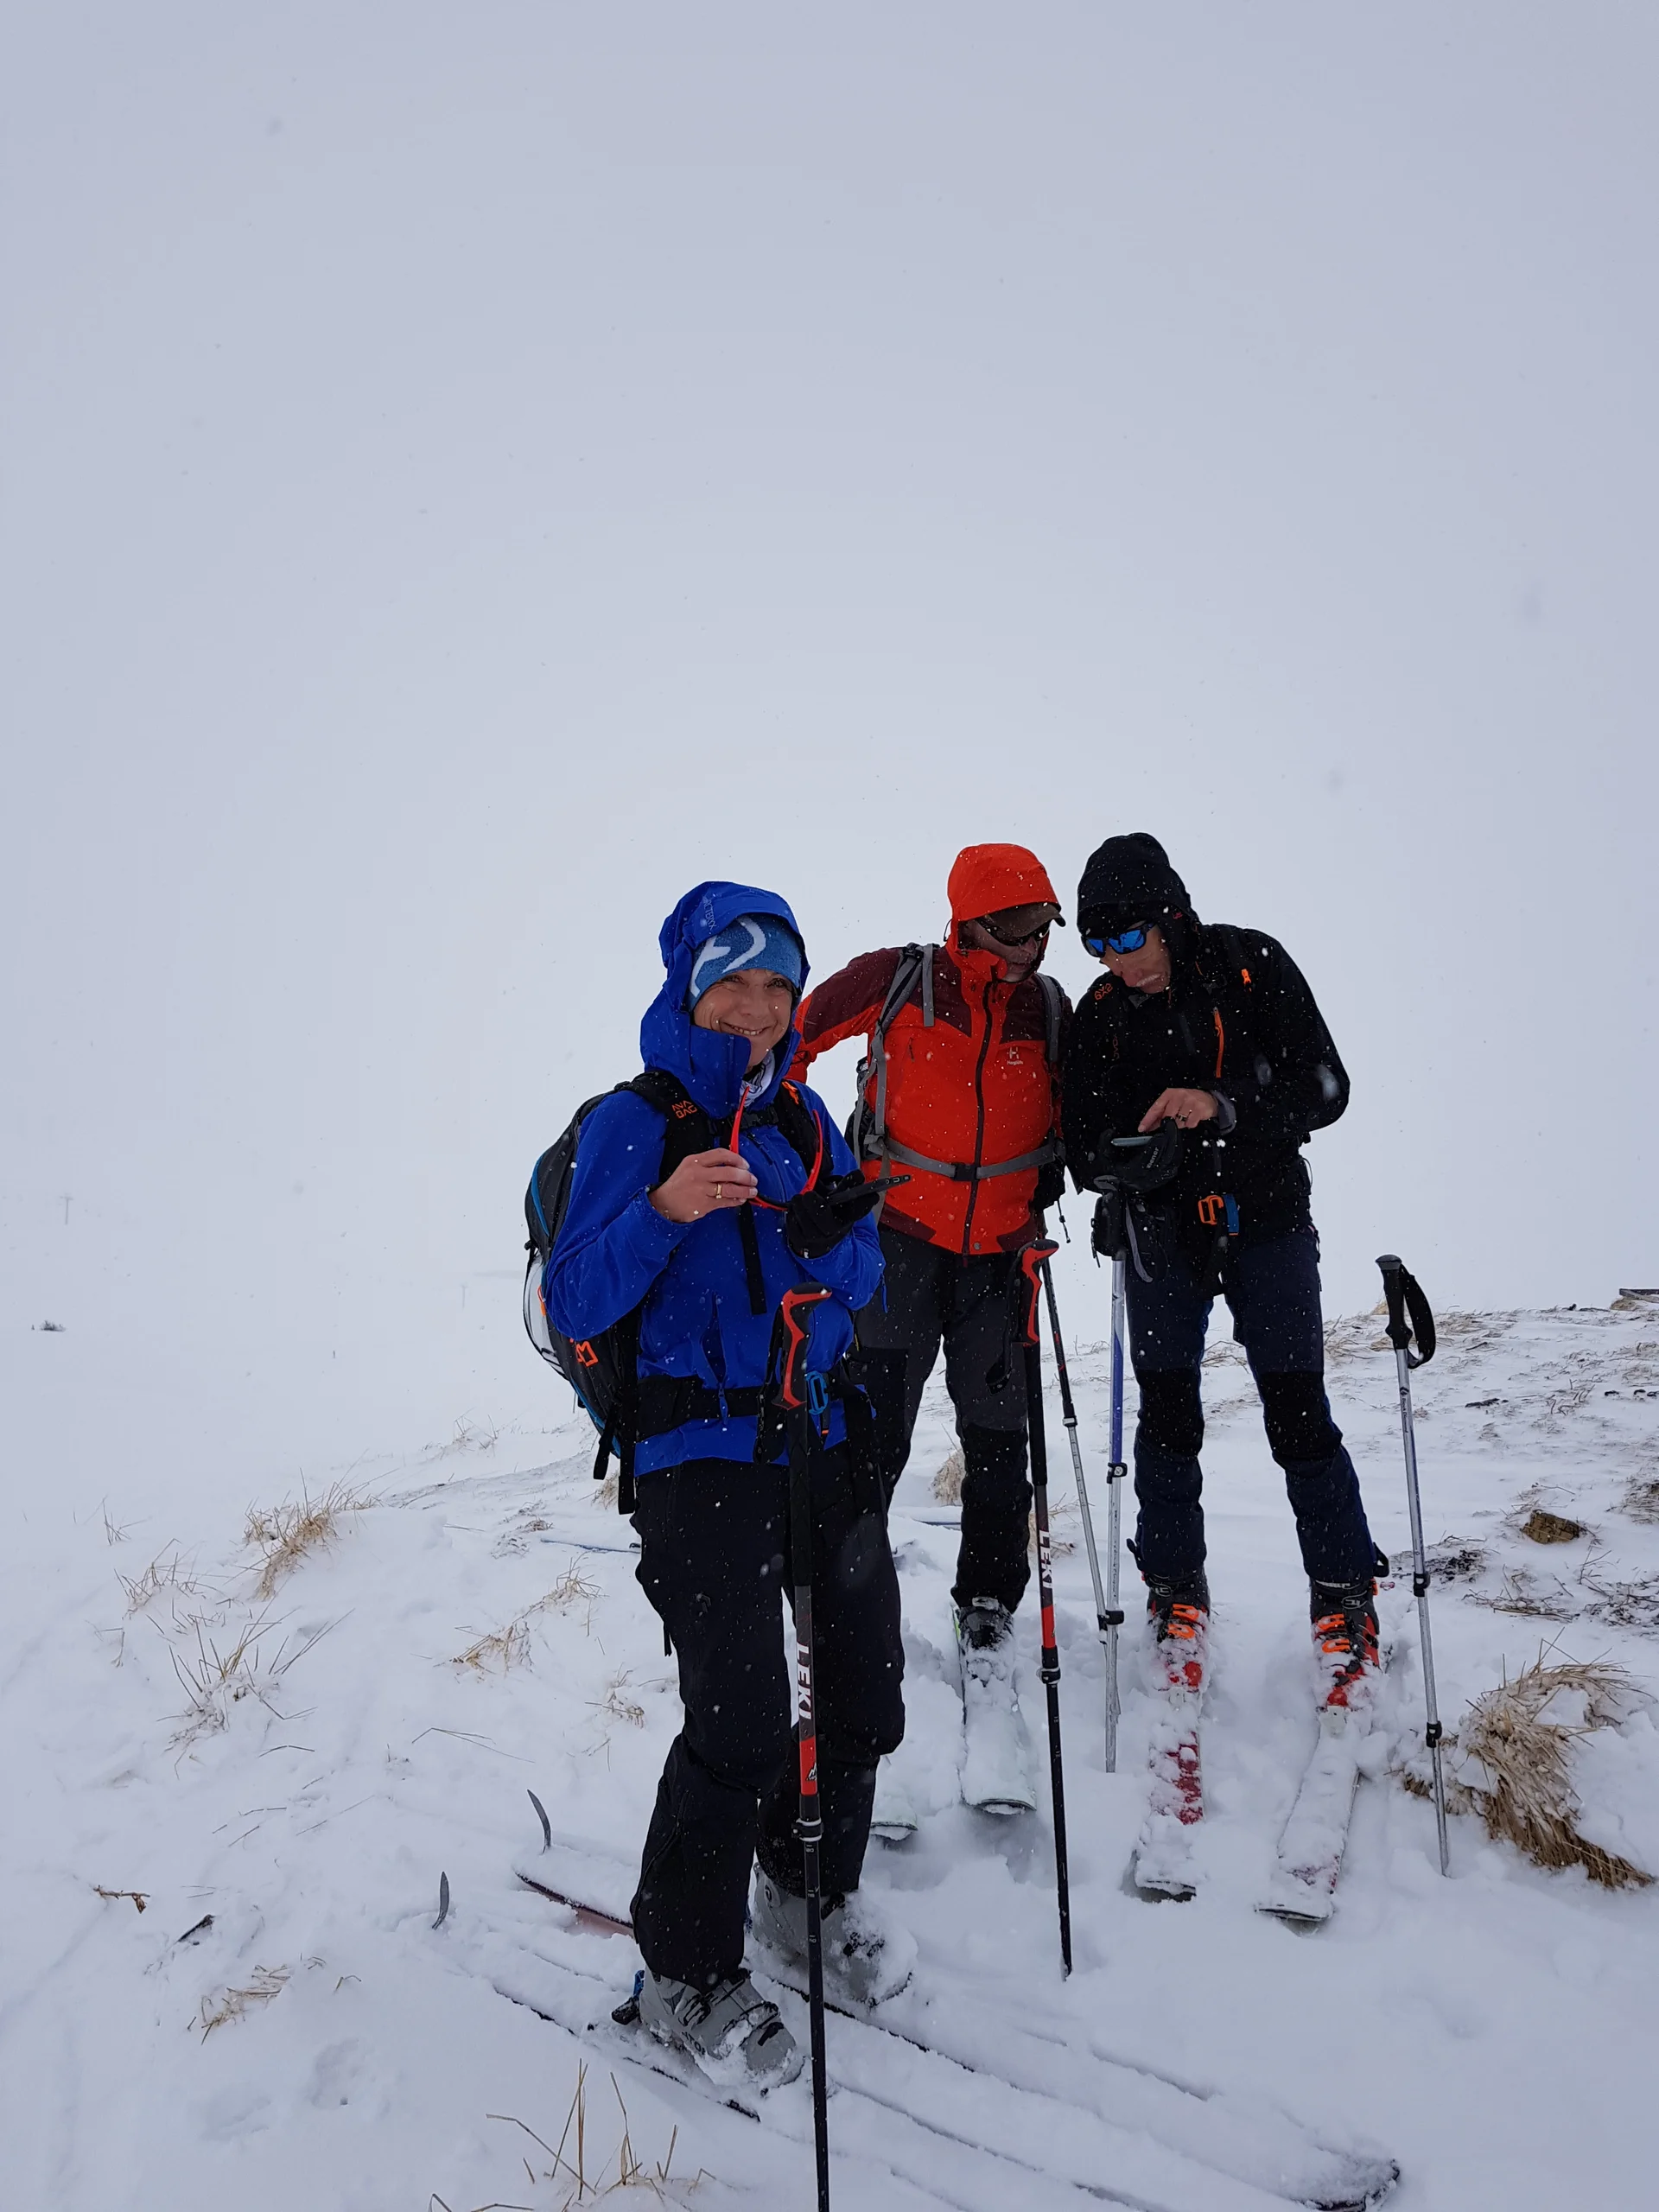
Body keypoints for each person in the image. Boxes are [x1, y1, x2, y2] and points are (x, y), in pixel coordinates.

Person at [544, 881, 906, 2089]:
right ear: (691, 989)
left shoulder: (806, 1120)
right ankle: (681, 1975)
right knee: (744, 1724)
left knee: (862, 1698)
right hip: (697, 1458)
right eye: (733, 982)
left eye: (777, 987)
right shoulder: (636, 1126)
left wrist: (825, 1234)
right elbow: (576, 1301)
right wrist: (661, 1210)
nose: (756, 1008)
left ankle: (806, 1895)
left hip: (820, 1433)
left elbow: (857, 1273)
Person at [1059, 833, 1384, 1706]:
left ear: (1170, 915)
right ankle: (1175, 1589)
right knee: (1167, 1418)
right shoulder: (1100, 1014)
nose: (1116, 961)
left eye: (1129, 938)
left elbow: (1326, 1087)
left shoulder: (1250, 966)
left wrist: (1223, 1108)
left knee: (1298, 1410)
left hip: (1268, 1224)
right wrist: (1129, 1165)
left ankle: (1345, 1592)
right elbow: (1081, 1144)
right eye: (1097, 944)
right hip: (1161, 1238)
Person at [791, 844, 1070, 1801]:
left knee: (1000, 1444)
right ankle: (855, 1605)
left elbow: (1085, 1108)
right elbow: (792, 1042)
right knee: (872, 1436)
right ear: (971, 921)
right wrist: (802, 1162)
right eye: (1017, 928)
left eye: (1044, 927)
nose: (1034, 947)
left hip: (1001, 1256)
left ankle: (987, 1608)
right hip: (897, 1242)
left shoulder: (1050, 1009)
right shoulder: (899, 979)